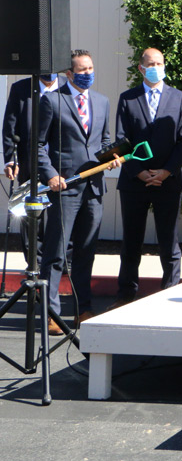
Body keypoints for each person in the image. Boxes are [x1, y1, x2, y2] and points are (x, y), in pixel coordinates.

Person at [37, 50, 120, 335]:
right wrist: (50, 175)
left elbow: (104, 141)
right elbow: (37, 146)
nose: (88, 73)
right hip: (66, 188)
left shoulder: (102, 101)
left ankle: (83, 309)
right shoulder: (52, 101)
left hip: (94, 187)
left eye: (91, 68)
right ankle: (51, 314)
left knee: (86, 253)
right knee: (56, 253)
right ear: (69, 73)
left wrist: (113, 156)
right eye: (82, 69)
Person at [113, 48, 182, 306]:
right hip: (135, 182)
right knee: (131, 243)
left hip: (168, 181)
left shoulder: (179, 98)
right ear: (141, 68)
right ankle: (125, 295)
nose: (155, 67)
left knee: (169, 242)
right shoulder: (128, 98)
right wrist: (140, 171)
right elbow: (122, 142)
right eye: (150, 63)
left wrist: (166, 171)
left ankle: (171, 293)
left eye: (159, 63)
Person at [3, 73, 64, 256]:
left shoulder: (68, 88)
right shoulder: (21, 89)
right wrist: (11, 159)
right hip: (29, 161)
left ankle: (60, 258)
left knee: (61, 213)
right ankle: (33, 259)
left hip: (60, 162)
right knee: (31, 213)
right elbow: (10, 126)